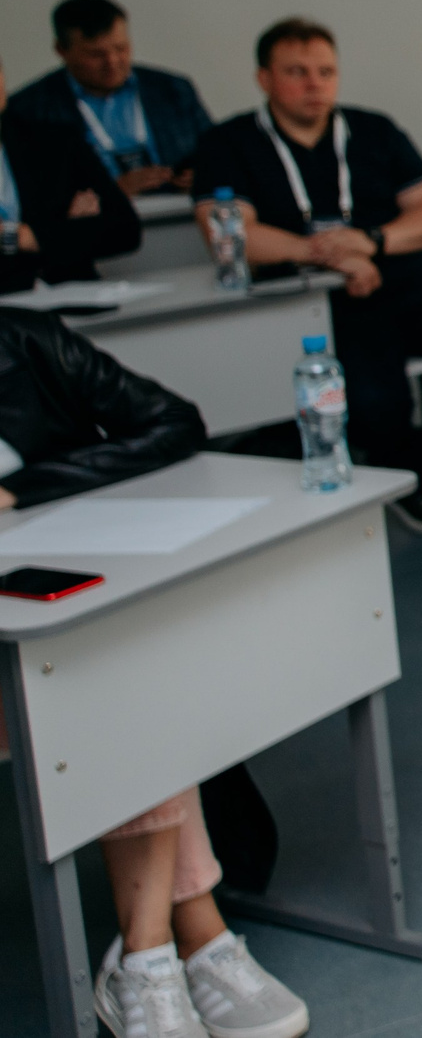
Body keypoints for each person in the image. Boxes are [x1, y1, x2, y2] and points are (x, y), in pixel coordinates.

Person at [0, 317, 308, 1038]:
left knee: (117, 665)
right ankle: (192, 936)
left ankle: (151, 954)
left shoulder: (25, 343)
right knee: (107, 679)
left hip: (39, 637)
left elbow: (174, 421)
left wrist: (23, 492)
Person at [189, 19, 422, 535]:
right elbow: (230, 235)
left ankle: (412, 473)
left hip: (406, 281)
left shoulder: (373, 129)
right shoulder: (230, 142)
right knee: (380, 404)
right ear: (263, 78)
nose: (315, 84)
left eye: (326, 72)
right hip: (316, 299)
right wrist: (327, 255)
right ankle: (410, 478)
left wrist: (372, 242)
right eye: (297, 72)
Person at [10, 0, 215, 199]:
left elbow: (216, 153)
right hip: (93, 227)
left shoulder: (173, 88)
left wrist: (202, 175)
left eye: (121, 48)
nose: (112, 61)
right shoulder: (30, 108)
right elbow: (30, 191)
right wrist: (108, 192)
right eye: (96, 54)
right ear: (61, 50)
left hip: (182, 213)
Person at [0, 53, 142, 293]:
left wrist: (24, 236)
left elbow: (124, 230)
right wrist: (64, 228)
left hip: (71, 306)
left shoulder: (54, 142)